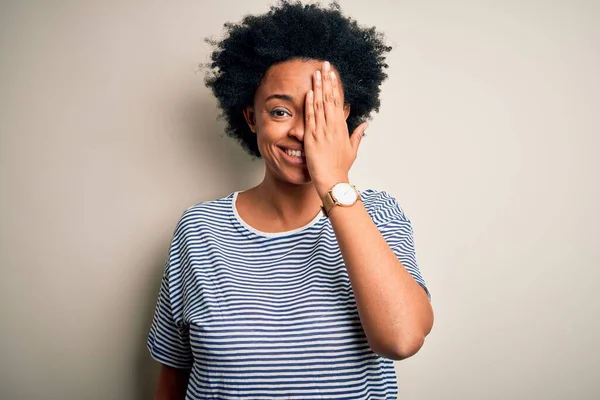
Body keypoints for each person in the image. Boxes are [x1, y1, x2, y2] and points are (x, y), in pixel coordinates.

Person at [147, 1, 433, 398]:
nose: (302, 131)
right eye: (281, 111)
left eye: (321, 112)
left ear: (345, 116)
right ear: (251, 118)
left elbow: (401, 339)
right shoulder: (199, 230)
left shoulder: (378, 213)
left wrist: (333, 179)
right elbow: (173, 375)